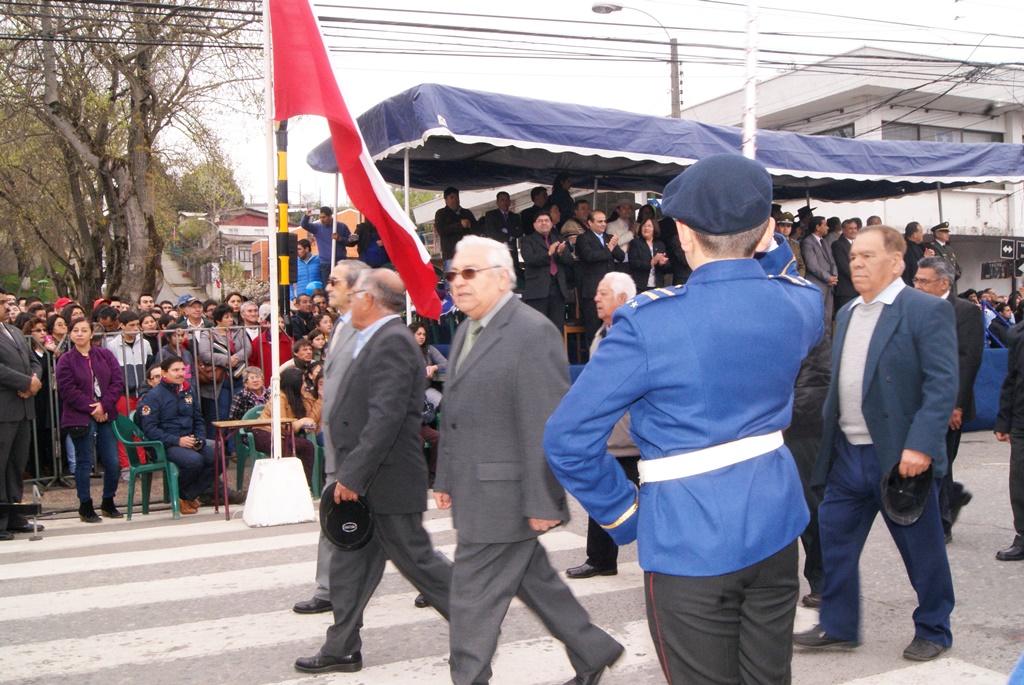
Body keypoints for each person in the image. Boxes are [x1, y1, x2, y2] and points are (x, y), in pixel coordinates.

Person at [545, 154, 823, 684]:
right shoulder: (802, 305)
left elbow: (567, 438)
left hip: (688, 539)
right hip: (775, 527)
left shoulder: (649, 323)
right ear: (767, 229)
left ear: (683, 234)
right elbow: (781, 273)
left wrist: (625, 515)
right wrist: (766, 244)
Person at [435, 236, 623, 685]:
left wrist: (544, 500)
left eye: (469, 273)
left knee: (471, 603)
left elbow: (546, 423)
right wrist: (445, 476)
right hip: (479, 490)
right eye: (453, 274)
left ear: (503, 278)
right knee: (535, 581)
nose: (457, 283)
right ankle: (593, 649)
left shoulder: (532, 331)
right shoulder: (467, 329)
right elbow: (456, 412)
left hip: (507, 497)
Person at [795, 225, 958, 662]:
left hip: (900, 457)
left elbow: (942, 384)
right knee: (835, 541)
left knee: (922, 551)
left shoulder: (925, 310)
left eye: (868, 255)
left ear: (897, 262)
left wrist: (921, 445)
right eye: (853, 257)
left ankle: (934, 629)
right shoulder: (848, 312)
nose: (857, 263)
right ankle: (838, 625)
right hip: (847, 454)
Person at [294, 269, 453, 675]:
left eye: (355, 293)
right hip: (368, 479)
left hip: (387, 480)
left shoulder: (393, 341)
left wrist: (352, 475)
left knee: (423, 566)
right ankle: (342, 647)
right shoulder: (369, 337)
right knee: (348, 568)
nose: (348, 298)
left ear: (371, 298)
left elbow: (385, 418)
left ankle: (478, 622)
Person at [292, 260, 370, 615]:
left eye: (335, 281)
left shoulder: (366, 327)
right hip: (339, 441)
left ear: (354, 287)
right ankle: (327, 588)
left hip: (361, 445)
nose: (327, 286)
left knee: (399, 531)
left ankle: (437, 581)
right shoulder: (338, 325)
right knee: (332, 513)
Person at [564, 272, 641, 580]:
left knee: (645, 499)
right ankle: (600, 559)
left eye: (603, 293)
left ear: (622, 299)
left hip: (634, 436)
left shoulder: (636, 331)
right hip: (609, 435)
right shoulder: (602, 333)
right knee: (603, 494)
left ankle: (668, 558)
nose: (595, 298)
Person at [914, 257, 984, 543]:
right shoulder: (913, 308)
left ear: (944, 283)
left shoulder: (965, 312)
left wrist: (957, 404)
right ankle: (949, 499)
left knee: (940, 463)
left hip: (948, 402)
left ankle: (941, 524)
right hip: (916, 400)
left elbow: (968, 360)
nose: (917, 286)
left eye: (923, 281)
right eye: (915, 280)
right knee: (923, 460)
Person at [139, 355, 244, 514]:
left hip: (189, 440)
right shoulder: (153, 396)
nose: (180, 373)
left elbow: (198, 420)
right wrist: (178, 441)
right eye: (175, 370)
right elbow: (150, 430)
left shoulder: (188, 390)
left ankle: (187, 495)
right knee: (195, 461)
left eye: (182, 369)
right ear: (164, 373)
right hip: (165, 444)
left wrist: (199, 440)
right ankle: (181, 496)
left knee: (219, 457)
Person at [54, 317, 124, 523]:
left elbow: (117, 382)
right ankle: (85, 505)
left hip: (105, 413)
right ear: (70, 334)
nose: (79, 334)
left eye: (84, 330)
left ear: (91, 334)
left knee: (112, 462)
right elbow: (67, 390)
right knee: (84, 462)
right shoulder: (66, 360)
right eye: (75, 330)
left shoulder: (105, 355)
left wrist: (104, 405)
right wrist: (93, 408)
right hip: (79, 416)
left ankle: (108, 501)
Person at [0, 291, 43, 539]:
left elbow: (33, 359)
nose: (7, 307)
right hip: (4, 409)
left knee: (16, 464)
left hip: (23, 407)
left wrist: (34, 381)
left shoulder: (14, 331)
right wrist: (25, 382)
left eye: (8, 302)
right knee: (1, 464)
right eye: (2, 303)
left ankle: (14, 513)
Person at [253, 367, 320, 487]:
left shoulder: (298, 397)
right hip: (265, 433)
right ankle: (287, 486)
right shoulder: (278, 397)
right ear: (294, 384)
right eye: (302, 382)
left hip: (284, 436)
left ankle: (305, 486)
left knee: (307, 446)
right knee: (285, 450)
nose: (305, 385)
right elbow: (283, 427)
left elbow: (309, 418)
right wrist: (301, 422)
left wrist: (319, 399)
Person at [575, 210, 624, 345]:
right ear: (590, 223)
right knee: (593, 328)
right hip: (592, 291)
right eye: (599, 221)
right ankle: (593, 355)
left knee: (611, 326)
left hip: (610, 291)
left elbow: (620, 257)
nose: (603, 224)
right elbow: (589, 256)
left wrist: (614, 246)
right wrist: (609, 249)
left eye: (604, 221)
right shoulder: (583, 238)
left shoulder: (609, 237)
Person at [520, 210, 574, 333]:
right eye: (540, 221)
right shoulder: (527, 240)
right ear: (534, 224)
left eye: (546, 220)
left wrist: (560, 254)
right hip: (538, 290)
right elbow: (529, 259)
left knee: (557, 328)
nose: (544, 223)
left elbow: (569, 261)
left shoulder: (559, 239)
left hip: (558, 289)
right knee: (537, 328)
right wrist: (549, 254)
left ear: (551, 223)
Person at [801, 215, 838, 326]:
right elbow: (812, 265)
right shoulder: (808, 242)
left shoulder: (824, 242)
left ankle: (827, 338)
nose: (828, 227)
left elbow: (832, 261)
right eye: (825, 225)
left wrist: (834, 277)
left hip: (829, 285)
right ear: (817, 227)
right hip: (818, 284)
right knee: (818, 317)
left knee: (827, 317)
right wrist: (828, 277)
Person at [301, 206, 353, 285]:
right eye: (320, 217)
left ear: (330, 216)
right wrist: (306, 216)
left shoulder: (341, 227)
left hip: (340, 262)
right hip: (325, 264)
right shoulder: (317, 227)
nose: (322, 220)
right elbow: (304, 225)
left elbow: (351, 243)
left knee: (342, 286)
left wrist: (340, 239)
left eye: (324, 217)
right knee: (327, 287)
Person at [434, 186, 479, 264]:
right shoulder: (441, 213)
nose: (455, 200)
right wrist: (459, 225)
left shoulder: (466, 212)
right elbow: (441, 230)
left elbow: (478, 230)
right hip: (451, 256)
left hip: (469, 254)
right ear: (446, 200)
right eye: (452, 197)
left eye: (457, 197)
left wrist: (470, 225)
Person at [482, 190, 523, 275]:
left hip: (512, 251)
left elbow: (519, 232)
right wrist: (509, 236)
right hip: (497, 249)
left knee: (513, 272)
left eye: (507, 200)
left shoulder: (515, 216)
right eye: (502, 200)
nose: (505, 202)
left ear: (510, 202)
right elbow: (492, 232)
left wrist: (505, 231)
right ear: (497, 202)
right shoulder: (491, 215)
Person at [626, 216, 668, 293]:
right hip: (640, 286)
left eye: (649, 226)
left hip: (657, 286)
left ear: (654, 228)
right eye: (644, 226)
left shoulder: (660, 244)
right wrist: (651, 262)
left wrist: (662, 263)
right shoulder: (635, 243)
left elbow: (668, 266)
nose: (646, 228)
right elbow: (633, 263)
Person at [831, 219, 860, 313]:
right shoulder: (838, 244)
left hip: (858, 290)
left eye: (855, 228)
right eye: (850, 228)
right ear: (843, 230)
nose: (853, 231)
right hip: (846, 290)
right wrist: (860, 277)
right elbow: (843, 267)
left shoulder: (859, 244)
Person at [928, 222, 962, 296]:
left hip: (952, 285)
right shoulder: (933, 247)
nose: (948, 234)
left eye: (948, 232)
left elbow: (956, 265)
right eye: (945, 232)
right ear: (937, 234)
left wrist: (958, 273)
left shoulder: (948, 248)